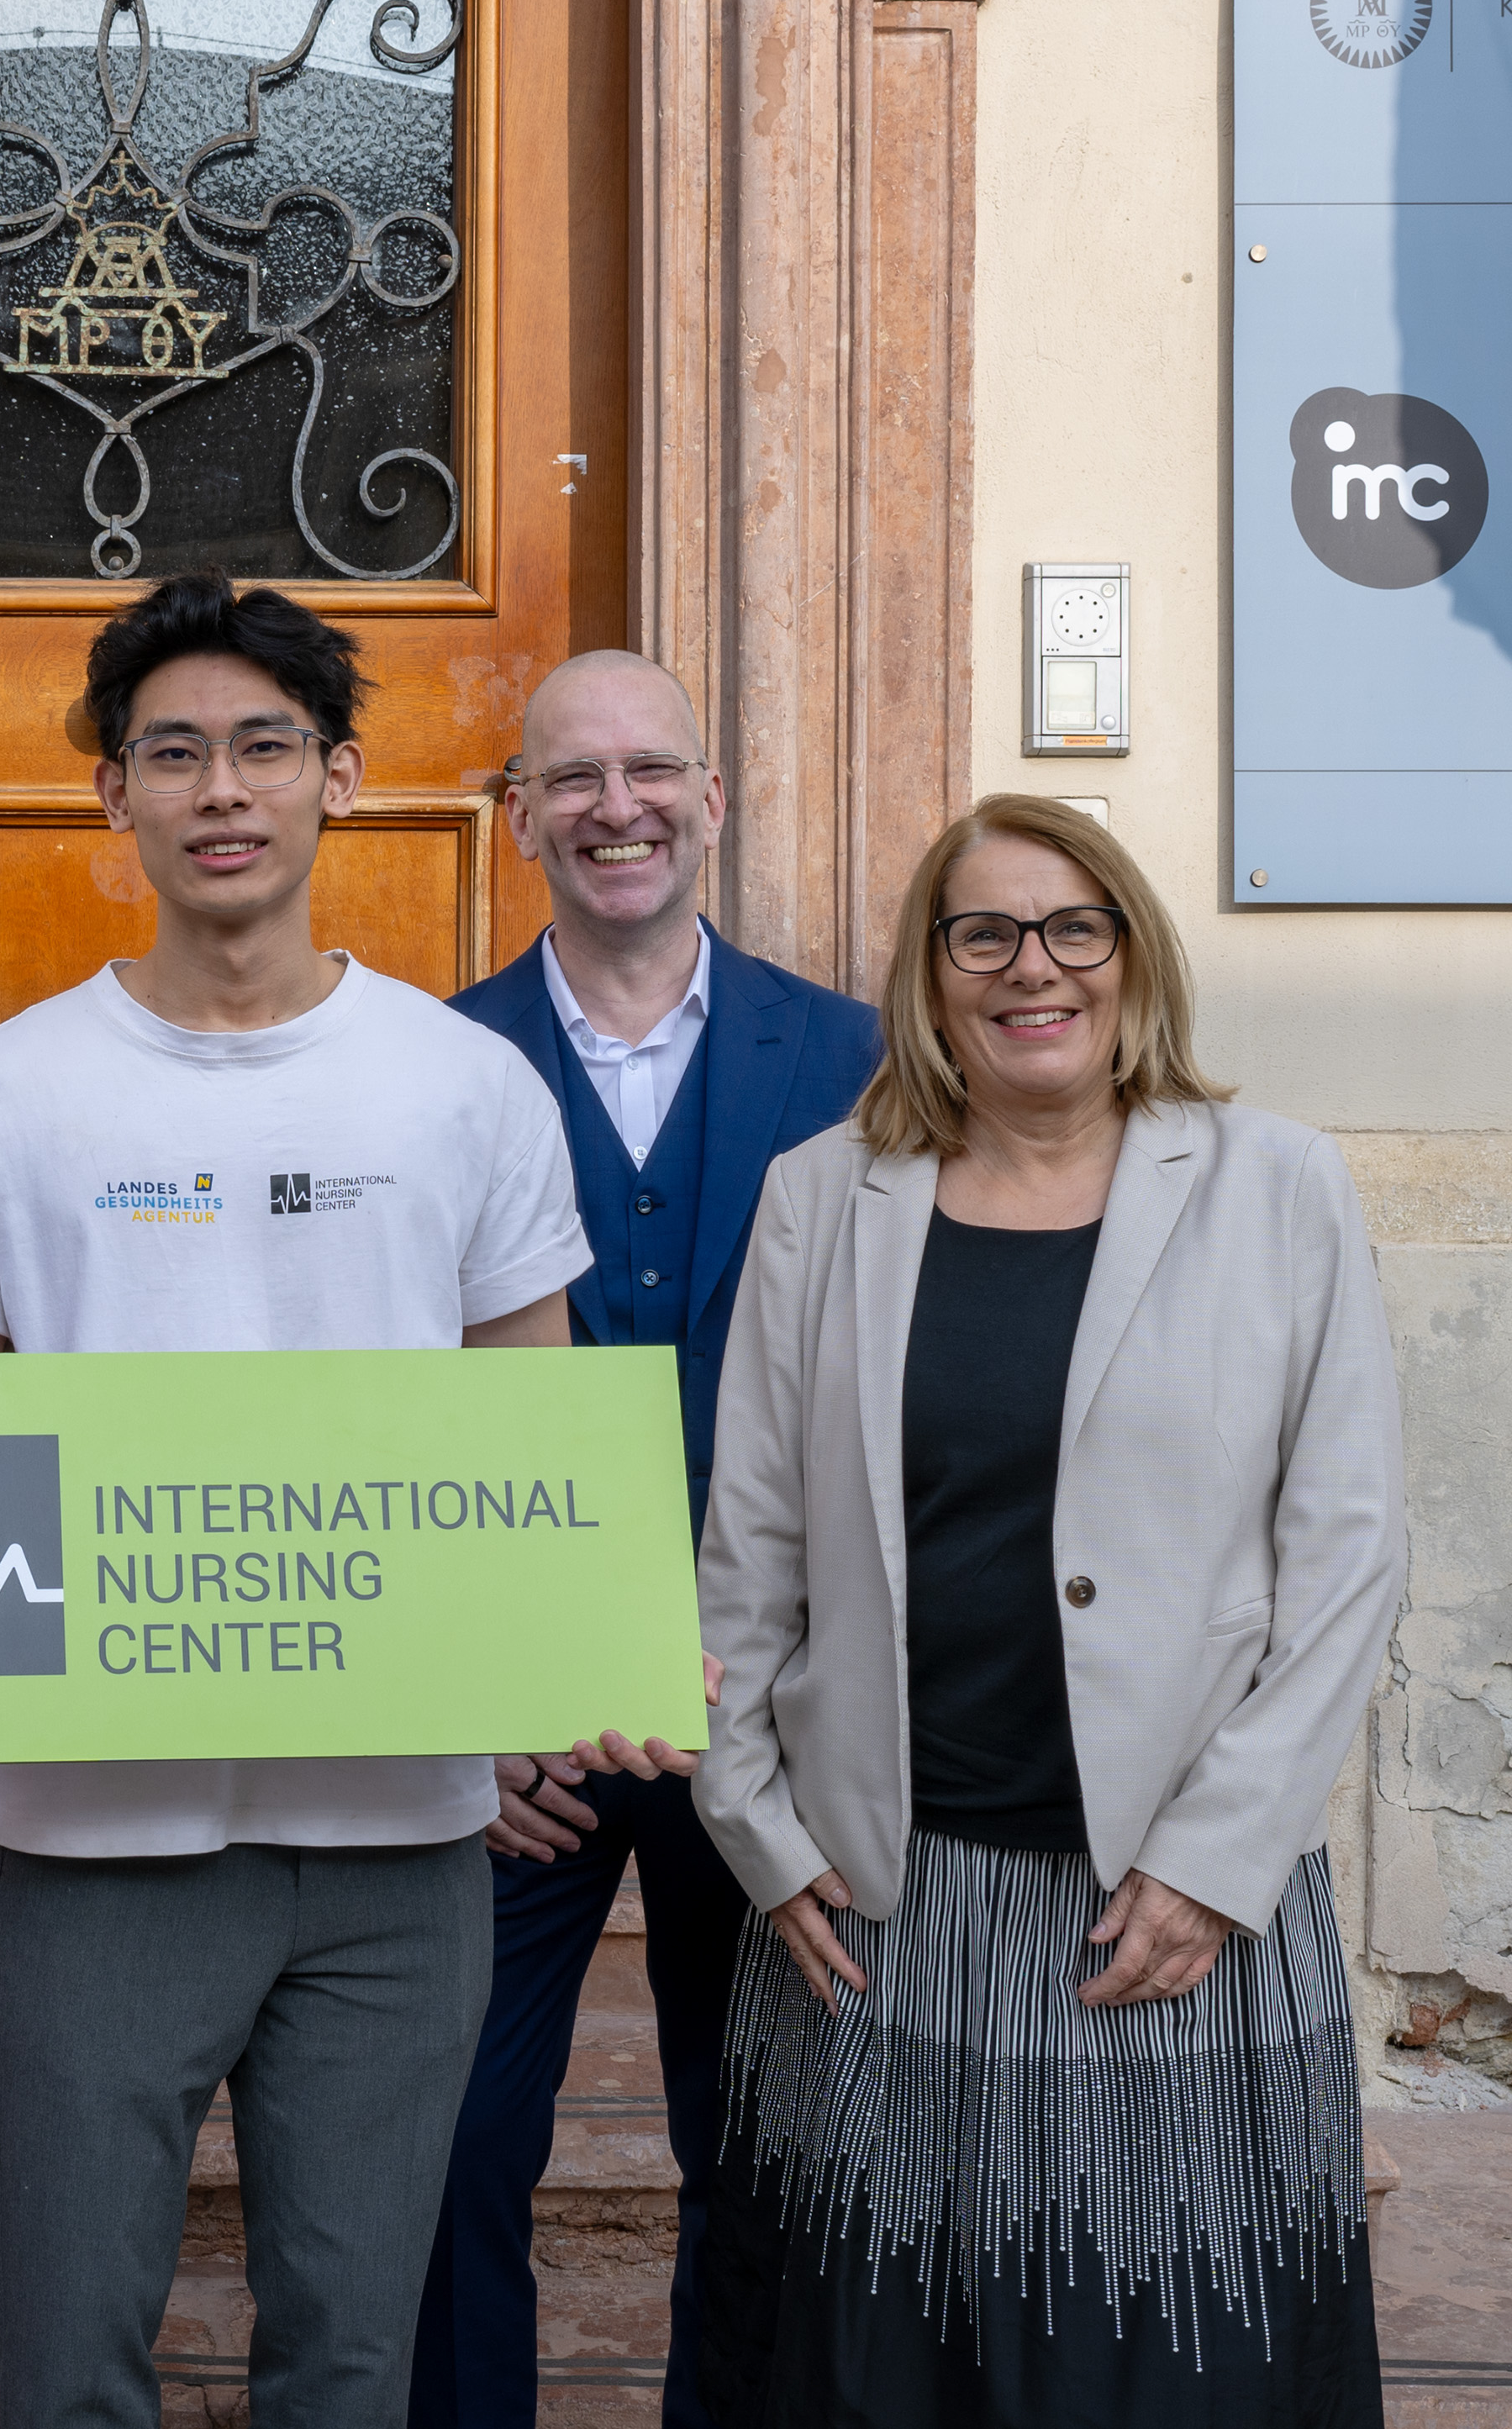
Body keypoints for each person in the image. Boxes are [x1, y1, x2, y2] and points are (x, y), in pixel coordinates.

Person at [0, 570, 629, 2429]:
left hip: (397, 1845)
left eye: (266, 747)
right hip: (92, 1836)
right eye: (174, 752)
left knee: (353, 2362)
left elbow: (527, 1437)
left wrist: (570, 1665)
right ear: (112, 794)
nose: (222, 788)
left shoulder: (466, 1090)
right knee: (68, 2365)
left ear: (338, 780)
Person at [690, 793, 1399, 2424]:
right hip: (886, 1902)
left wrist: (1213, 1860)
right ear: (928, 970)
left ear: (1131, 955)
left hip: (1167, 1902)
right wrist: (750, 1818)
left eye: (1075, 925)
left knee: (1171, 2370)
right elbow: (753, 1541)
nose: (1033, 966)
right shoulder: (822, 1196)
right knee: (882, 2373)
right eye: (985, 932)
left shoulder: (1277, 1185)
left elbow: (1347, 1553)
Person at [416, 653, 881, 2429]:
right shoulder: (424, 1065)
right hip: (510, 1733)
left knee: (763, 2153)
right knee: (447, 2143)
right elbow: (375, 1402)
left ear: (712, 798)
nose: (618, 806)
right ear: (519, 817)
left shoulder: (854, 1056)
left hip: (764, 1714)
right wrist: (455, 1714)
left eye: (652, 770)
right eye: (574, 777)